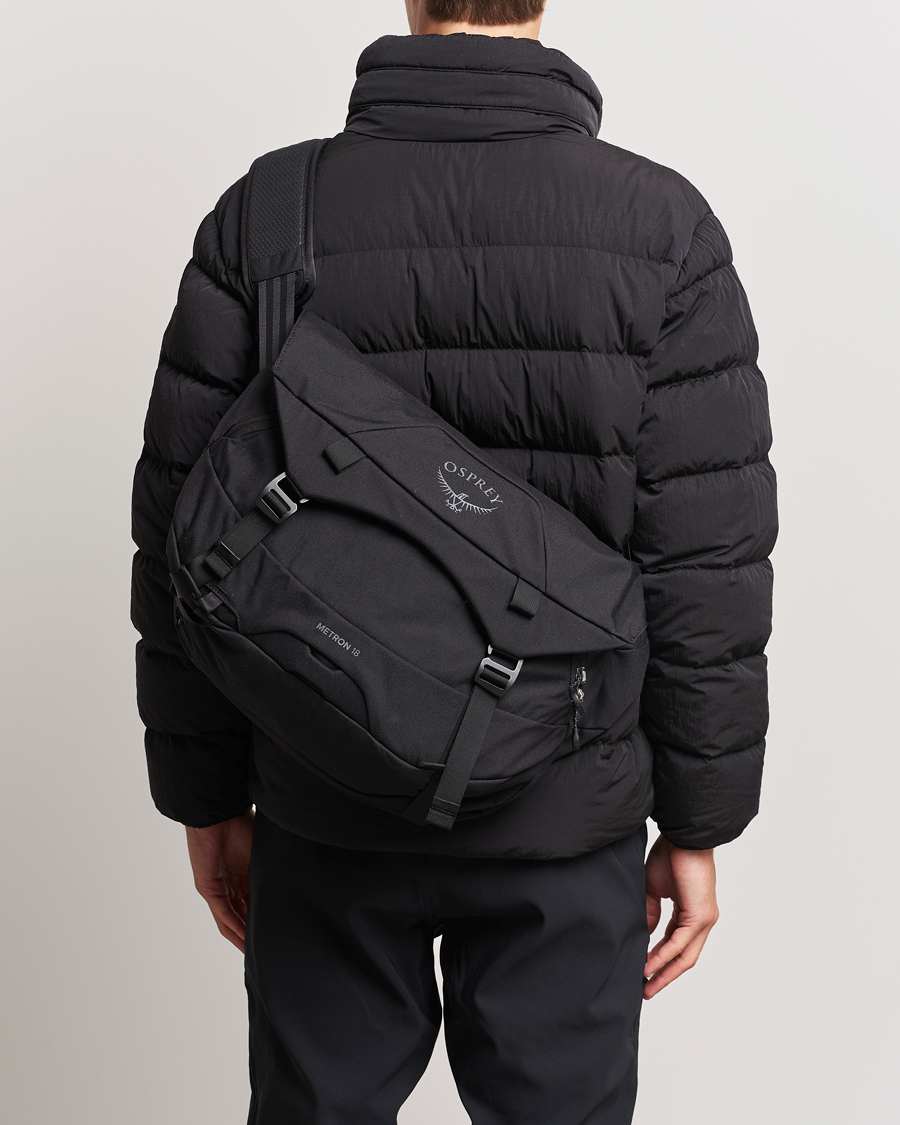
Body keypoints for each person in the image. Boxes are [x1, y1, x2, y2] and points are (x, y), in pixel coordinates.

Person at [130, 1, 777, 1121]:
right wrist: (697, 820)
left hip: (323, 788)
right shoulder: (663, 228)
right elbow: (707, 560)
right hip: (566, 810)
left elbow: (182, 533)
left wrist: (205, 798)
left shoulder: (267, 216)